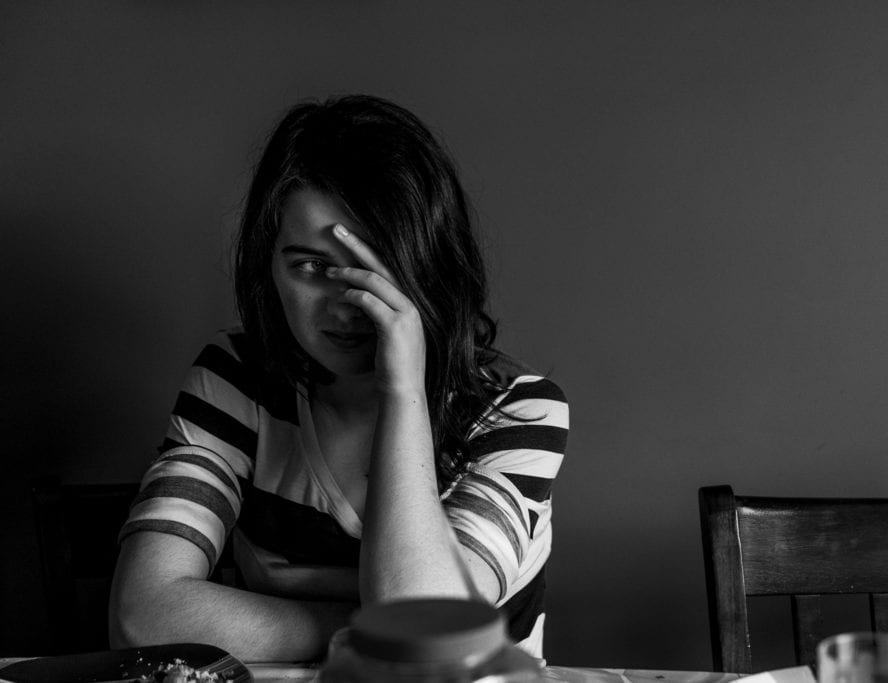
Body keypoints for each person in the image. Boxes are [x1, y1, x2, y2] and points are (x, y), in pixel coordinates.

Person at [108, 95, 569, 663]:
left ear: (427, 263)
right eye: (312, 267)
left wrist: (401, 390)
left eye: (380, 267)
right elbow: (142, 617)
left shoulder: (517, 411)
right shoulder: (237, 378)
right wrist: (372, 633)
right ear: (267, 268)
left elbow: (422, 642)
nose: (347, 304)